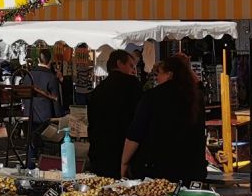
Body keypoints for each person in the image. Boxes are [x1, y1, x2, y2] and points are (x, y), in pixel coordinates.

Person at [121, 53, 205, 183]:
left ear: (169, 74)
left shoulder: (153, 96)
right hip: (191, 168)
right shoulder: (195, 97)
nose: (157, 78)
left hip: (158, 169)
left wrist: (124, 163)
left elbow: (135, 133)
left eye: (159, 73)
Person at [86, 49, 144, 176]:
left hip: (101, 153)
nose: (134, 71)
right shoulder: (133, 85)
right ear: (119, 63)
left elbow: (92, 124)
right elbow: (139, 122)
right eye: (131, 66)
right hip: (125, 153)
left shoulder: (98, 91)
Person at [25, 59, 62, 168]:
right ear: (50, 61)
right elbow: (56, 100)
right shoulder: (50, 77)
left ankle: (30, 165)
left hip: (29, 114)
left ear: (38, 60)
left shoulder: (28, 75)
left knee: (31, 140)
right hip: (46, 117)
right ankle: (45, 166)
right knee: (45, 144)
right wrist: (59, 117)